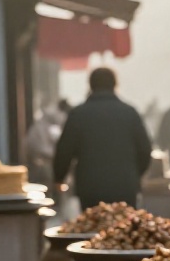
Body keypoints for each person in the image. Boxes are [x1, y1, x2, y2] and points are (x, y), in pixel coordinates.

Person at [54, 67, 152, 209]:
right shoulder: (130, 113)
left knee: (93, 227)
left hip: (90, 188)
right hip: (125, 187)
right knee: (124, 227)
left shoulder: (78, 114)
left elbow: (64, 151)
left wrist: (59, 179)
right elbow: (145, 150)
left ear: (90, 85)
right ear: (115, 85)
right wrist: (135, 175)